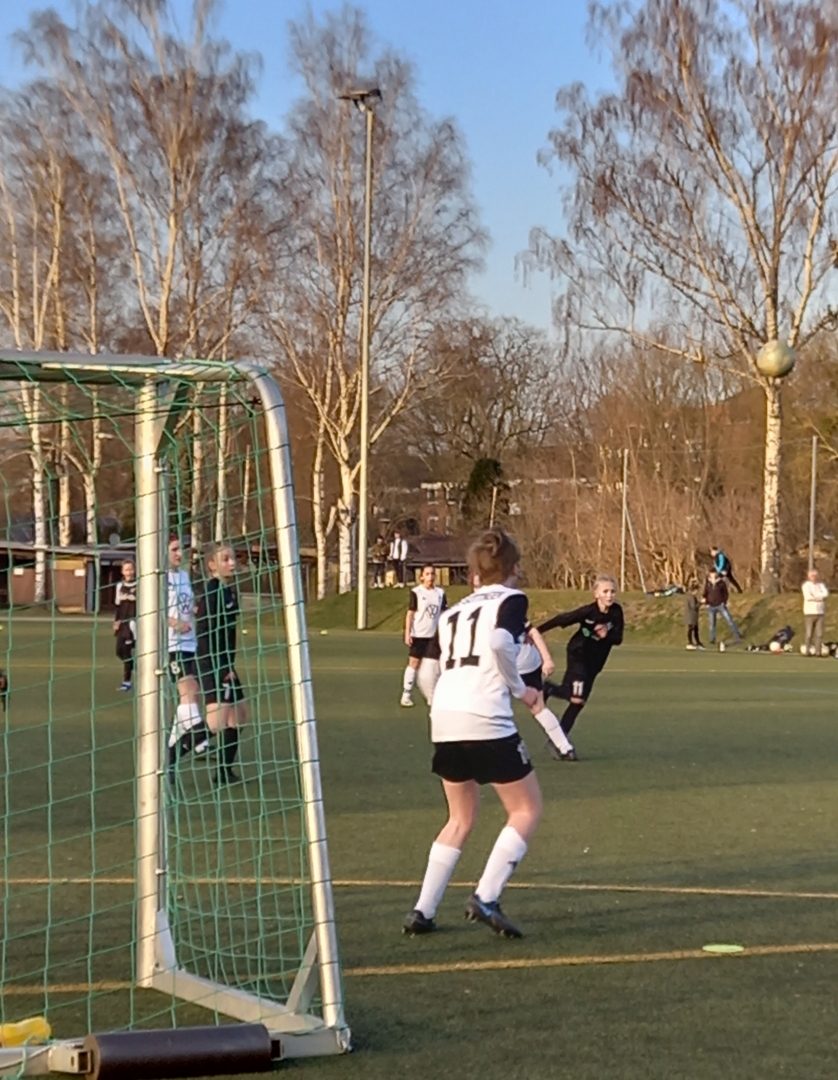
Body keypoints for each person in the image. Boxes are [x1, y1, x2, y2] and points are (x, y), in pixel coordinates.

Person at [403, 529, 550, 940]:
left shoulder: (451, 613)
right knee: (526, 809)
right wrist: (521, 690)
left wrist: (440, 707)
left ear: (473, 575)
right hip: (485, 715)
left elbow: (428, 671)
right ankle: (486, 896)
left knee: (459, 817)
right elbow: (501, 642)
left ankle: (423, 910)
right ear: (514, 569)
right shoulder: (512, 600)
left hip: (444, 717)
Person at [539, 575, 624, 760]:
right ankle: (560, 743)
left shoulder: (616, 612)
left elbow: (618, 638)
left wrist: (606, 635)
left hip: (595, 664)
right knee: (576, 698)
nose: (609, 595)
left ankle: (557, 739)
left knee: (578, 703)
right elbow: (563, 619)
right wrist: (536, 631)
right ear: (596, 594)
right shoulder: (588, 612)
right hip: (578, 655)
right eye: (605, 591)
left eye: (612, 591)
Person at [195, 543, 246, 785]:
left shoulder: (227, 591)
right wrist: (222, 667)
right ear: (212, 565)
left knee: (239, 717)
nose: (232, 563)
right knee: (215, 724)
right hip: (213, 664)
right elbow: (206, 635)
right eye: (225, 559)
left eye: (233, 558)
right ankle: (169, 757)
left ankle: (224, 772)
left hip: (225, 663)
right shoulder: (212, 593)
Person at [165, 538, 208, 782]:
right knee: (188, 691)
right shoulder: (158, 579)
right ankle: (200, 736)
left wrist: (193, 612)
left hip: (190, 642)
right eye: (174, 549)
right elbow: (153, 610)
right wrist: (172, 622)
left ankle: (169, 753)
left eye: (181, 549)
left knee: (191, 695)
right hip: (172, 645)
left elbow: (185, 604)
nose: (179, 553)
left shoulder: (183, 576)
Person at [401, 564, 447, 708]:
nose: (430, 577)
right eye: (427, 574)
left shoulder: (440, 593)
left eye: (432, 574)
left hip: (434, 636)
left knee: (434, 666)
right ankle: (406, 695)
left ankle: (431, 696)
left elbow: (444, 613)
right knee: (414, 664)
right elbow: (410, 614)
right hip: (419, 634)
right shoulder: (416, 592)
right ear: (421, 577)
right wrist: (408, 633)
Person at [113, 560, 136, 692]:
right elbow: (118, 606)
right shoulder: (119, 586)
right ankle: (133, 665)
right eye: (126, 569)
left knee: (127, 652)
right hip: (123, 623)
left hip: (133, 623)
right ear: (122, 572)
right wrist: (116, 621)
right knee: (119, 651)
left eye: (131, 569)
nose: (129, 572)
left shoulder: (139, 584)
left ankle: (126, 682)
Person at [702, 569, 742, 646]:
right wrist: (706, 602)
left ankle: (737, 634)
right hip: (711, 606)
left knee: (729, 620)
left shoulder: (721, 583)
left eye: (714, 575)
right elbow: (705, 593)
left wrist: (724, 602)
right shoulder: (708, 584)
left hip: (720, 605)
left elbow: (725, 594)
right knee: (712, 624)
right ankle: (712, 639)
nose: (713, 576)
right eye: (711, 575)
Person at [802, 568, 829, 656]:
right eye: (812, 576)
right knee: (809, 633)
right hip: (809, 612)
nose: (814, 577)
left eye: (816, 576)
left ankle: (818, 651)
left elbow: (826, 594)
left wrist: (816, 596)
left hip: (820, 612)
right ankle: (807, 651)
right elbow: (808, 597)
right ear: (809, 577)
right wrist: (819, 597)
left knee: (819, 634)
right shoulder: (806, 586)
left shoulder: (821, 585)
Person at [684, 581, 704, 650]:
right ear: (694, 590)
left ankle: (697, 642)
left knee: (695, 630)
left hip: (692, 616)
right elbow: (694, 606)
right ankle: (690, 642)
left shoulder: (689, 596)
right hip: (691, 616)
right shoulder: (691, 597)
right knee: (691, 629)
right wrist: (701, 603)